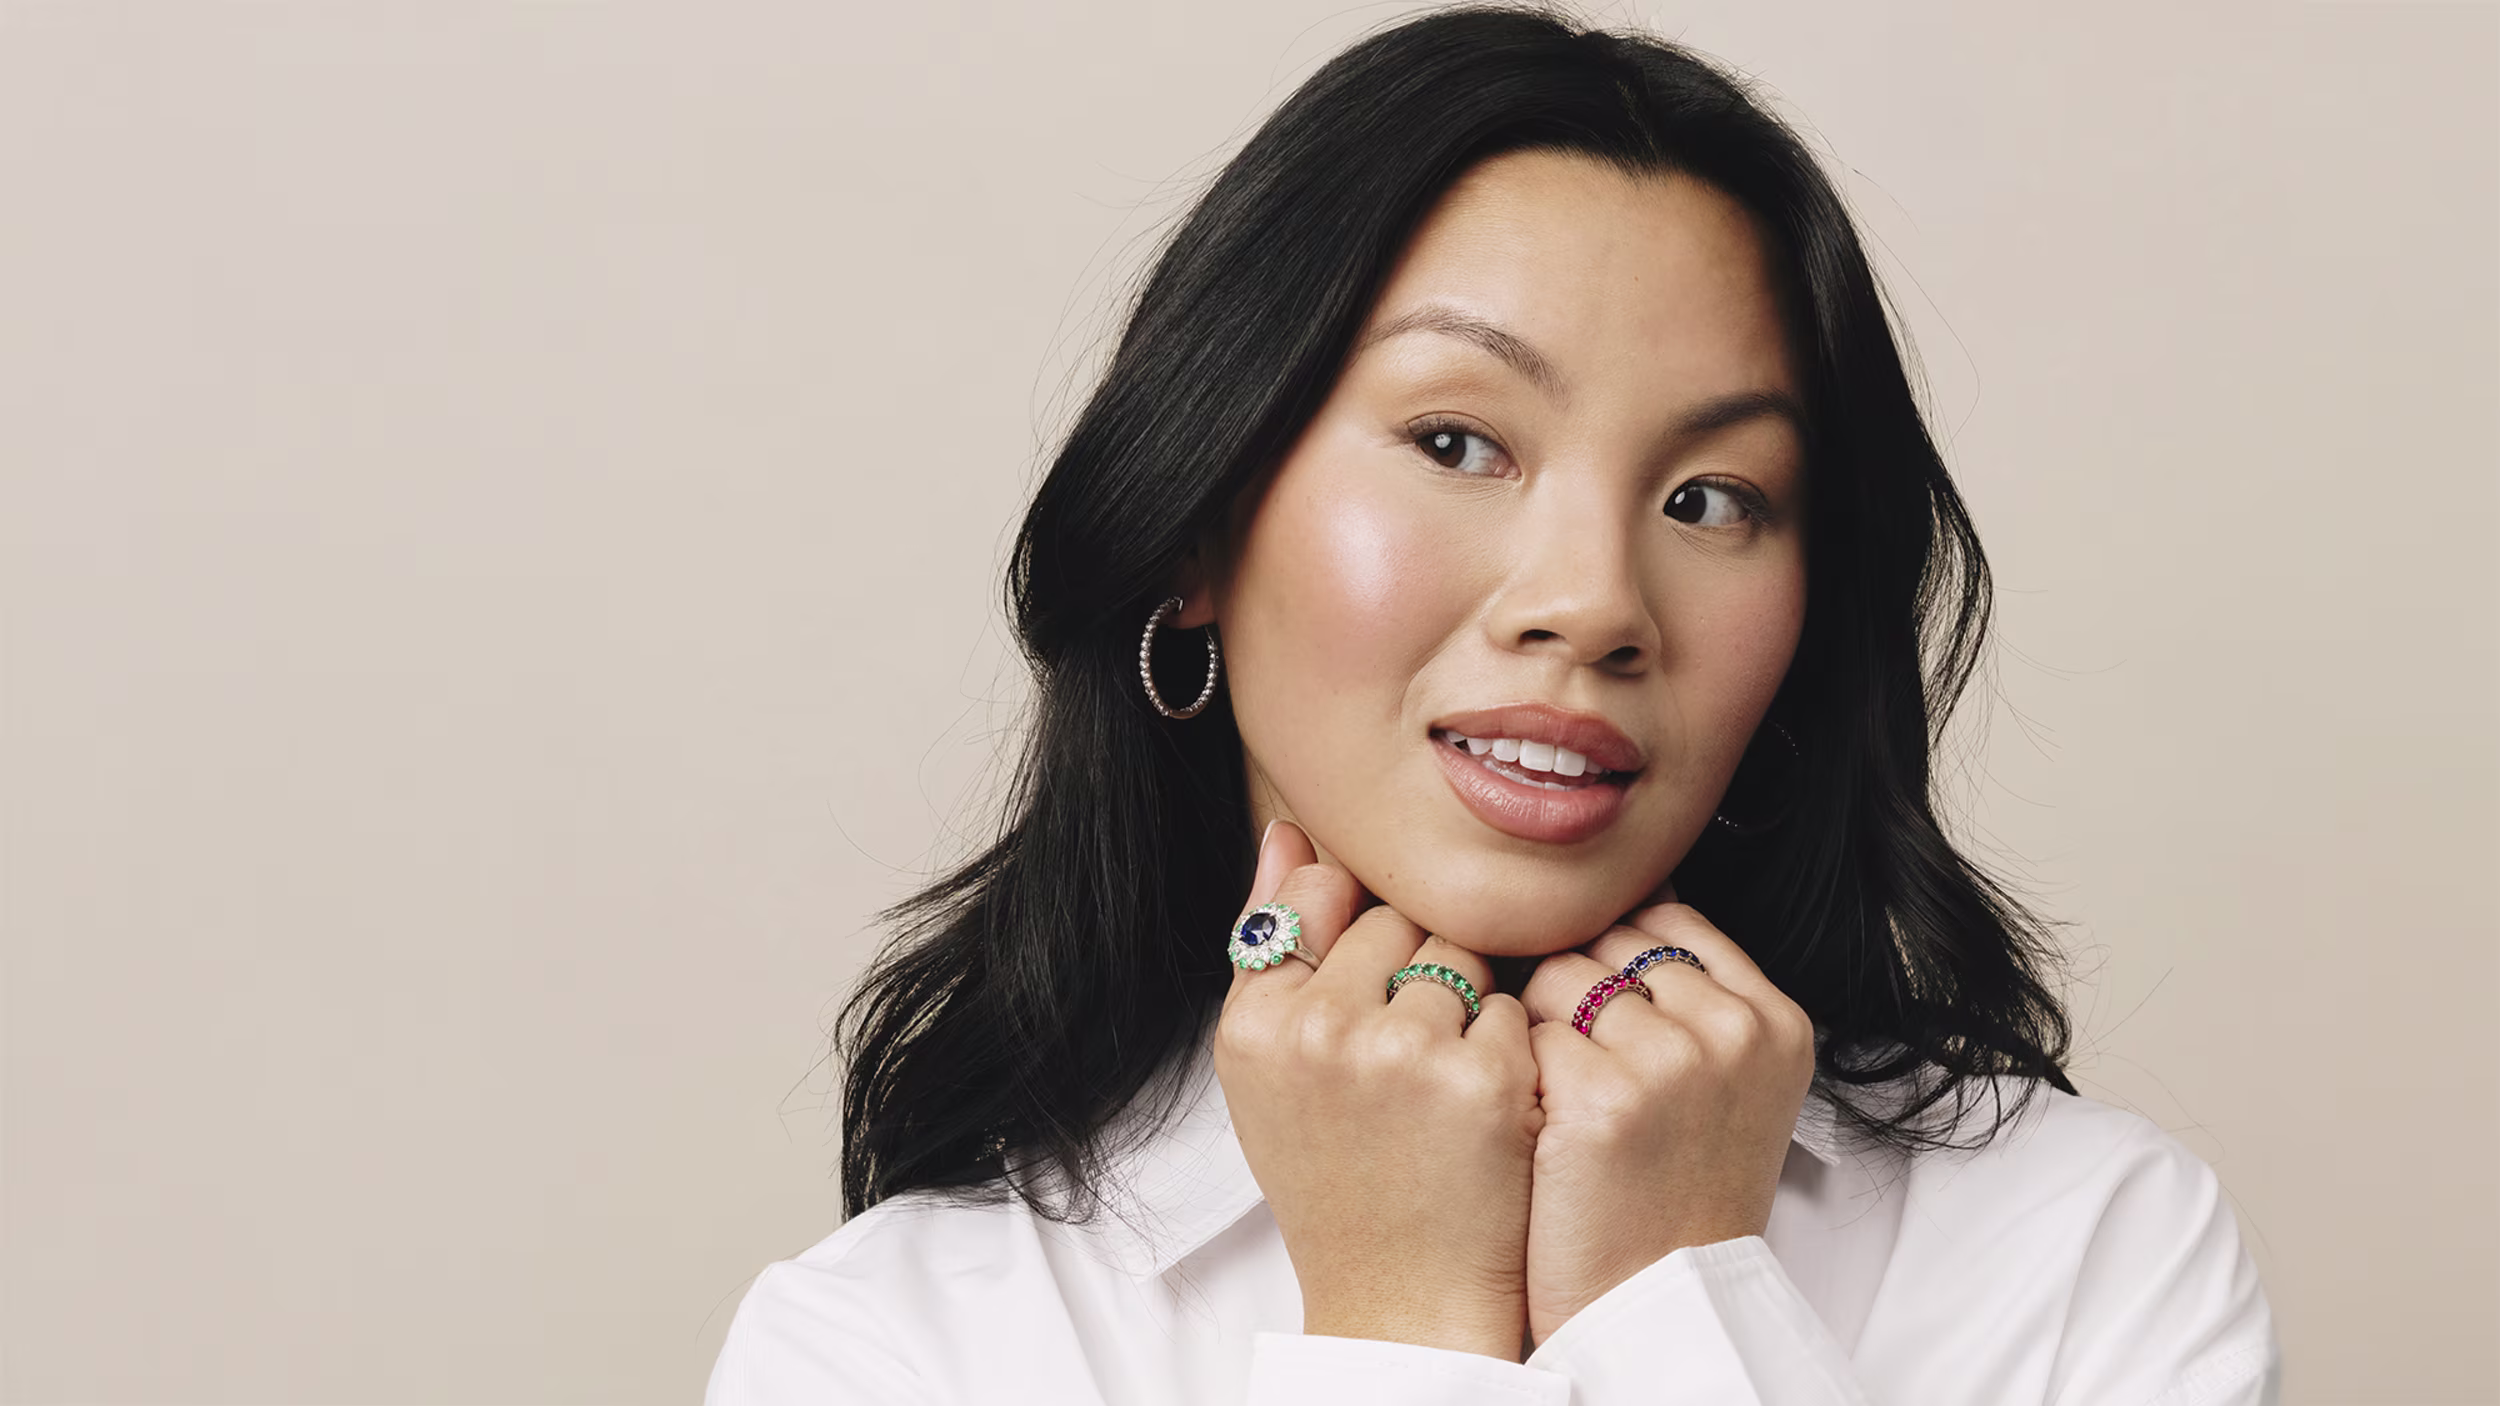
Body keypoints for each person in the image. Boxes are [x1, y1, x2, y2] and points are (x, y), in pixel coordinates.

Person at [705, 5, 2282, 1402]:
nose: (1594, 601)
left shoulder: (2084, 1250)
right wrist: (1403, 1322)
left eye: (1713, 497)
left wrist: (1677, 1300)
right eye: (1458, 443)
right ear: (1195, 525)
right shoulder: (889, 1346)